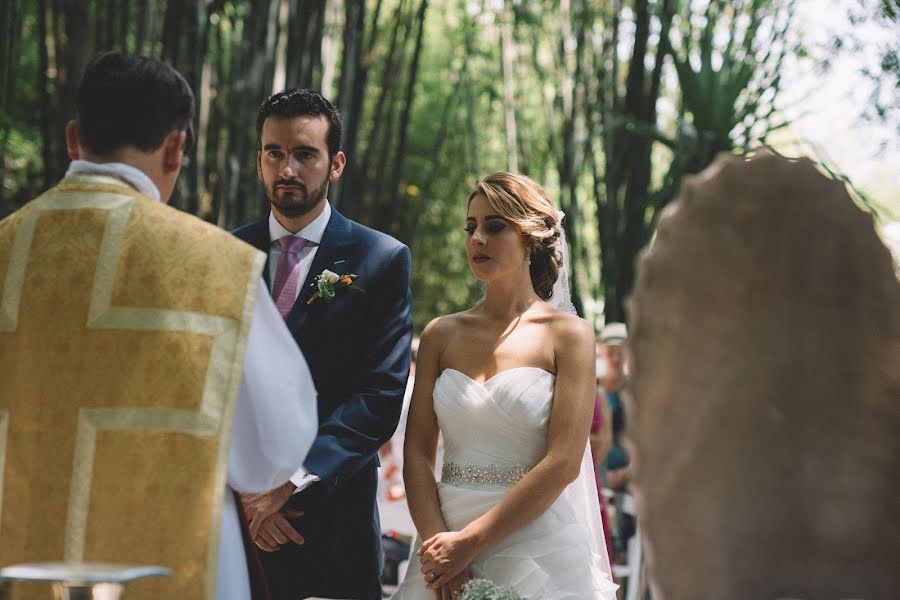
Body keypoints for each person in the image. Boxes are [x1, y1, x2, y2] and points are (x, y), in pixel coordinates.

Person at [0, 52, 317, 600]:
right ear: (176, 148)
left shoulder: (8, 249)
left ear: (74, 138)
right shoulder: (216, 264)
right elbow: (275, 450)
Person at [394, 173, 617, 599]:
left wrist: (470, 544)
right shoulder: (441, 334)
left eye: (494, 226)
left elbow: (564, 462)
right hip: (443, 534)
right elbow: (418, 452)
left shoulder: (569, 336)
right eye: (471, 227)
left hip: (532, 540)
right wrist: (438, 547)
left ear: (531, 237)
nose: (477, 238)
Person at [232, 88, 413, 600]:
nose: (287, 168)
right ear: (260, 159)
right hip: (237, 525)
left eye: (304, 154)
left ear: (335, 164)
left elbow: (379, 396)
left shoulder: (381, 258)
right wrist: (247, 495)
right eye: (274, 152)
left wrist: (287, 483)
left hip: (334, 525)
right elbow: (205, 384)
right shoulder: (223, 254)